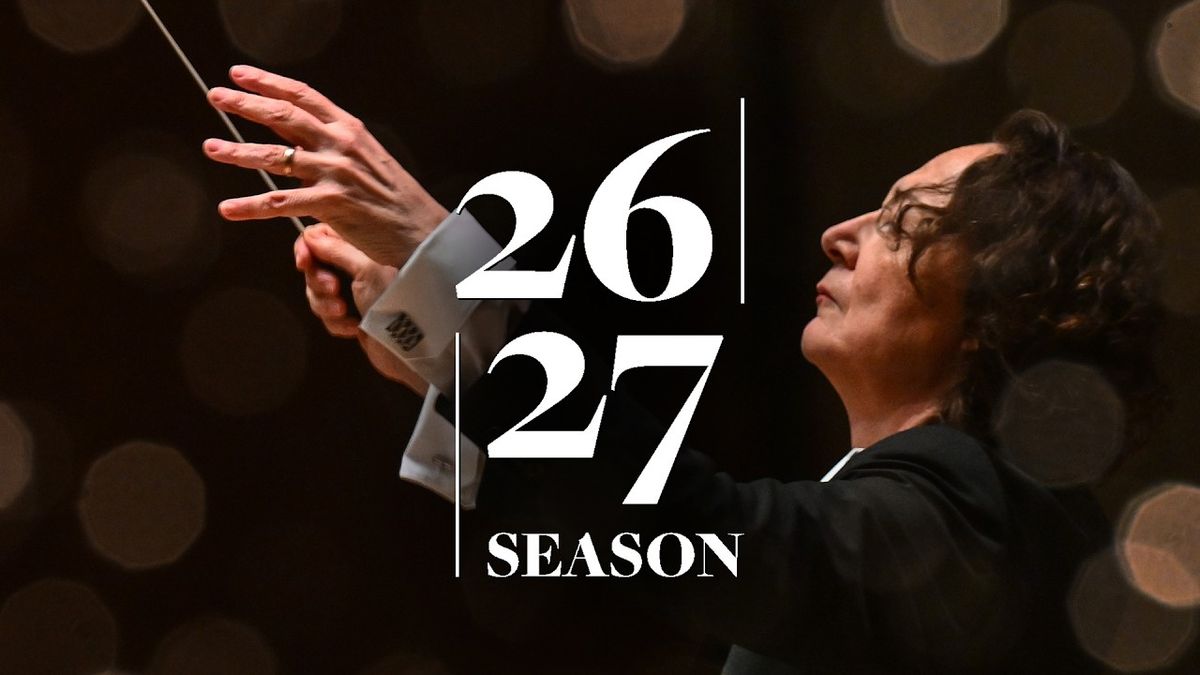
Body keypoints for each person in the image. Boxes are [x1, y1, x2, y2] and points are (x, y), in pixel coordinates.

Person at [203, 65, 1164, 673]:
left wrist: (455, 270)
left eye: (903, 222)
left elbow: (699, 532)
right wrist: (442, 334)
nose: (841, 235)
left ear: (1004, 305)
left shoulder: (981, 510)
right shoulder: (958, 515)